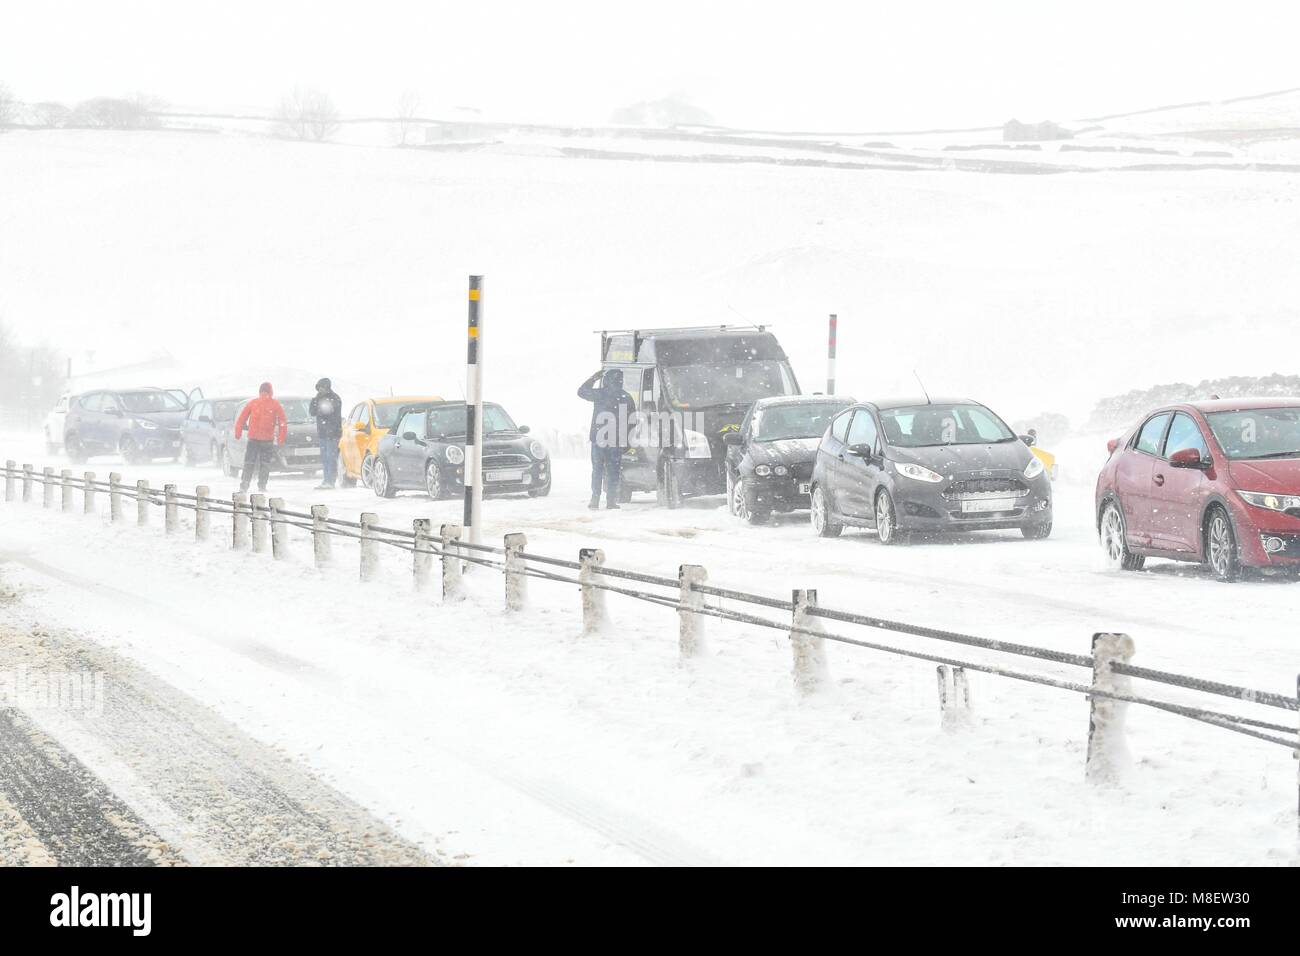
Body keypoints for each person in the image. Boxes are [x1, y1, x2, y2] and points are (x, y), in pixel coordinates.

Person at [578, 368, 635, 510]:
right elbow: (632, 422)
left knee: (597, 470)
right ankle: (611, 501)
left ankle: (595, 499)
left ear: (606, 380)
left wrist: (593, 378)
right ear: (620, 381)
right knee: (613, 471)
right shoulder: (626, 397)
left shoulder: (600, 394)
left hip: (599, 440)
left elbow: (581, 392)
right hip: (616, 442)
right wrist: (627, 442)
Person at [233, 382, 287, 493]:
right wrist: (281, 438)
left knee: (249, 462)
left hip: (253, 438)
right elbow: (283, 422)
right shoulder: (275, 404)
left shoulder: (253, 403)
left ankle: (244, 486)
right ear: (270, 391)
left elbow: (241, 419)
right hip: (267, 440)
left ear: (260, 391)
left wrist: (238, 433)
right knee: (265, 464)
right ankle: (262, 486)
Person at [310, 377, 343, 489]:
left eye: (322, 388)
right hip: (323, 433)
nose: (320, 390)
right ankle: (326, 480)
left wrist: (320, 403)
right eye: (318, 388)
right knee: (324, 458)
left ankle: (331, 481)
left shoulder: (334, 398)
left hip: (332, 434)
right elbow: (312, 412)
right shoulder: (318, 399)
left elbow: (327, 413)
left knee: (331, 458)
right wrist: (315, 399)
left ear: (327, 387)